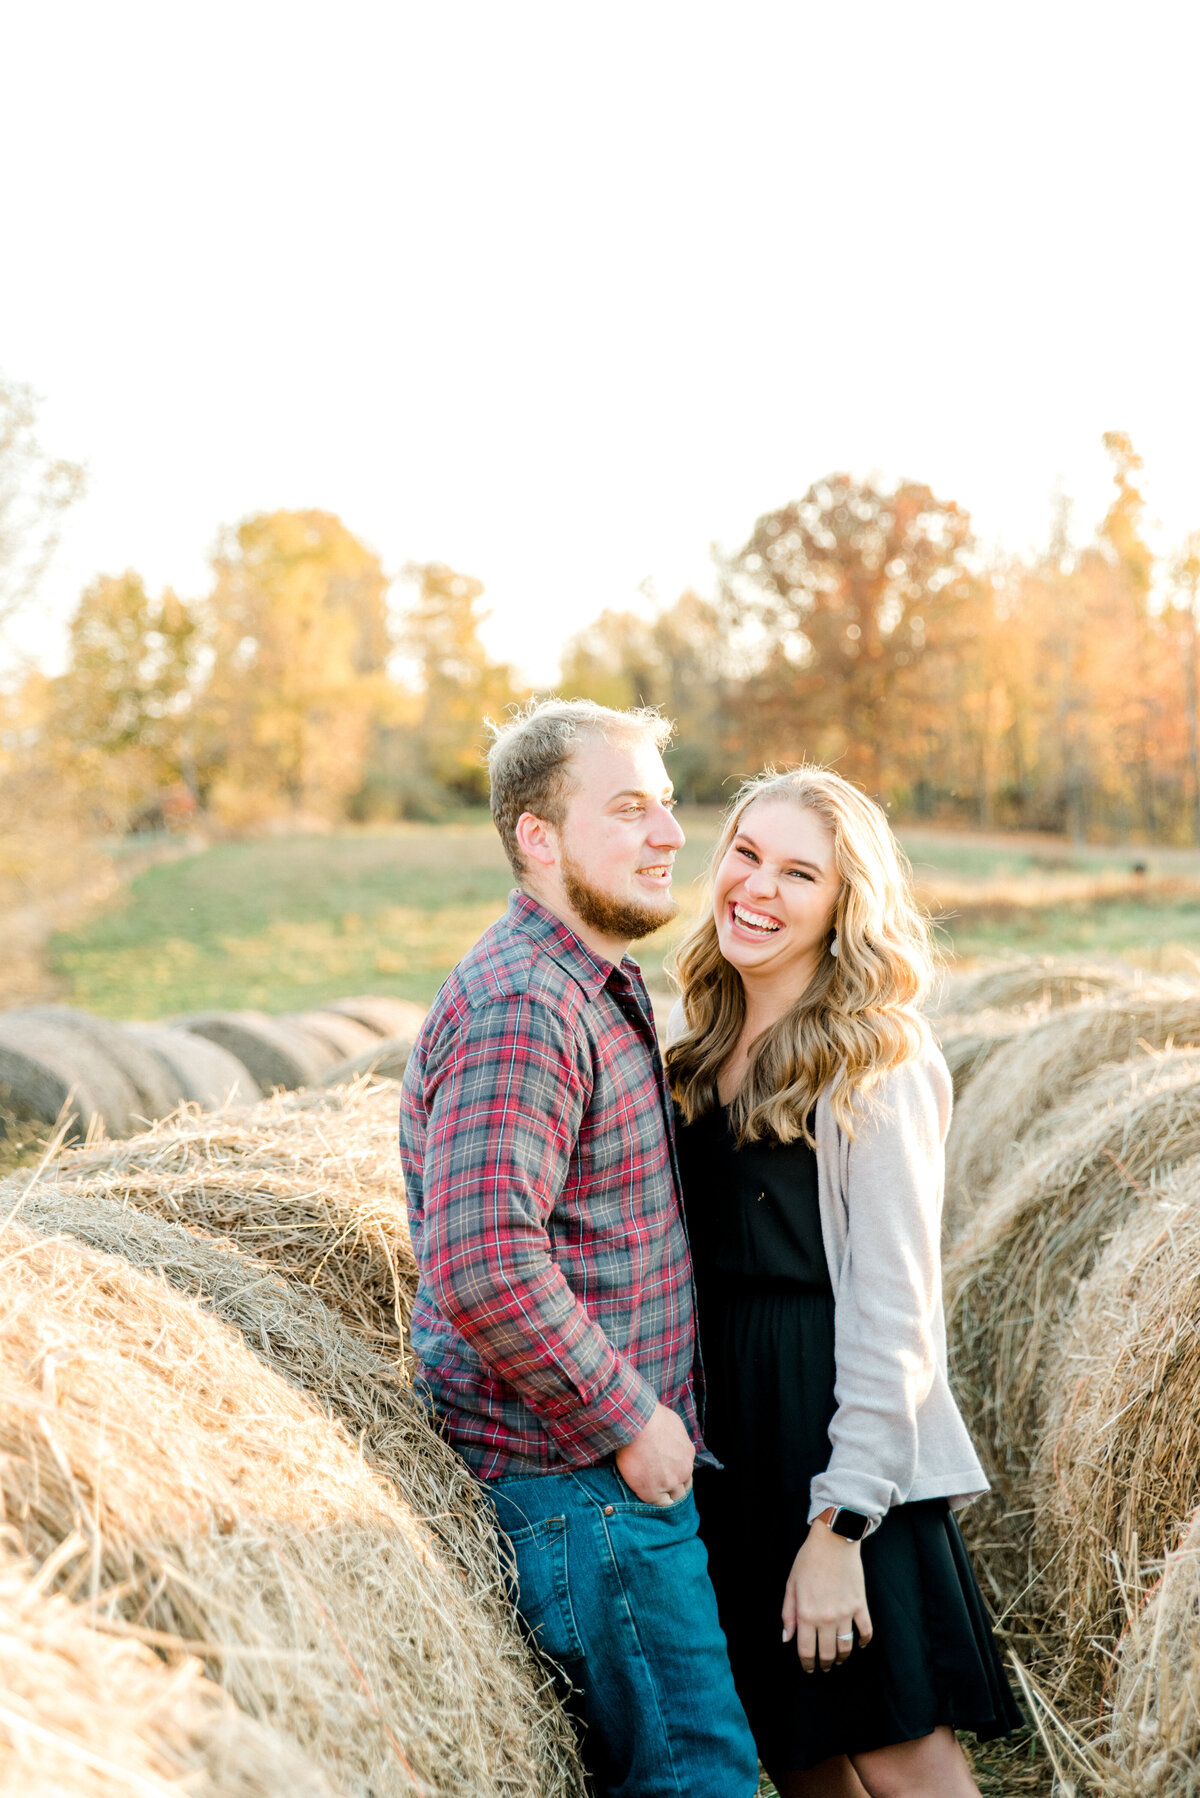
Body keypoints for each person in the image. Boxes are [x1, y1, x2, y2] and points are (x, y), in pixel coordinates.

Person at [398, 698, 760, 1798]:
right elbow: (482, 1257)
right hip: (580, 1484)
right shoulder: (527, 1003)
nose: (670, 834)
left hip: (603, 1478)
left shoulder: (591, 981)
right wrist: (634, 1422)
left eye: (667, 803)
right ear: (538, 839)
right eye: (630, 808)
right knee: (700, 1777)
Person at [665, 766, 1023, 1798]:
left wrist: (842, 1524)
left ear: (842, 906)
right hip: (733, 1449)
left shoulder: (875, 1060)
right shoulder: (695, 1053)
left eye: (797, 873)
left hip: (840, 1443)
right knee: (801, 1754)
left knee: (895, 1750)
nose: (757, 888)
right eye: (745, 854)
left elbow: (898, 1313)